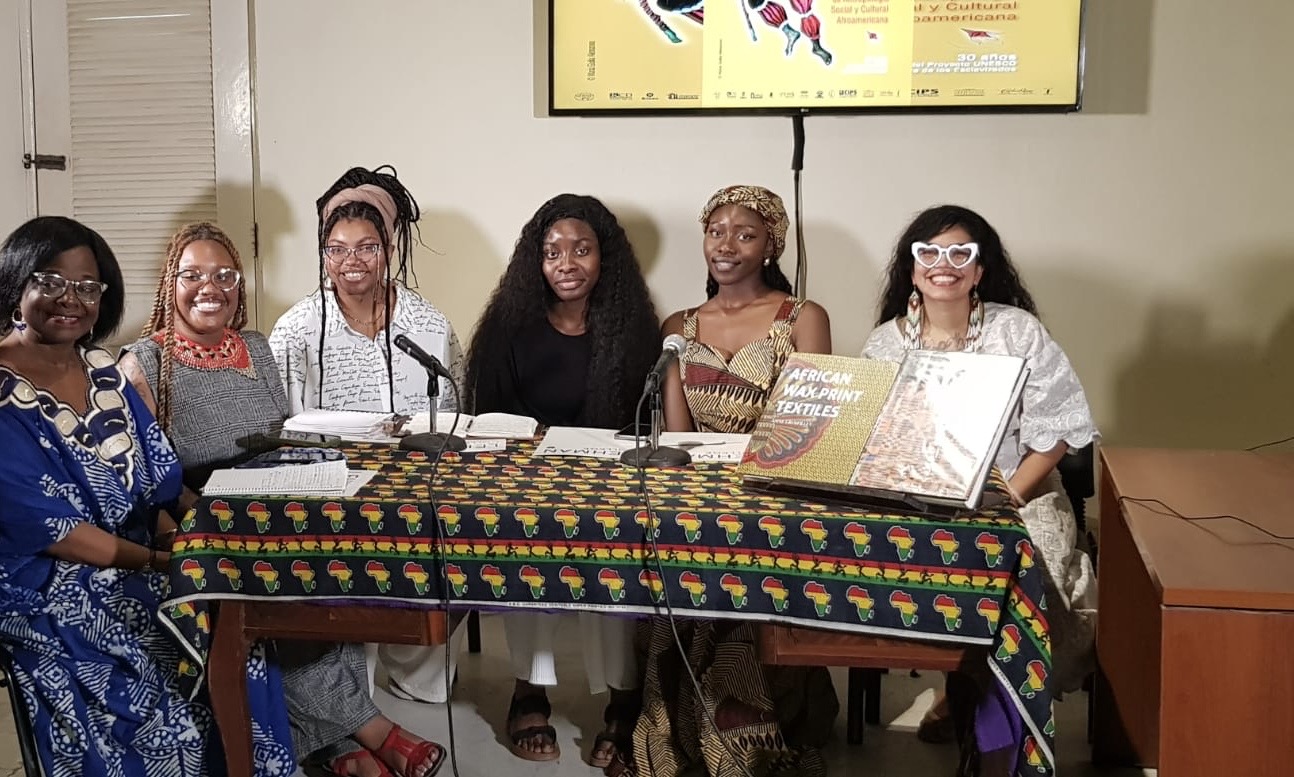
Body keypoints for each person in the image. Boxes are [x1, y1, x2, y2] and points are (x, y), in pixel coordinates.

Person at [120, 222, 445, 777]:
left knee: (326, 567)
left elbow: (279, 436)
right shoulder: (143, 362)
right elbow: (147, 476)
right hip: (199, 520)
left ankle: (335, 746)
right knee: (276, 584)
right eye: (193, 274)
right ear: (168, 283)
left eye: (225, 275)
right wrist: (206, 518)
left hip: (270, 503)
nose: (211, 287)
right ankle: (367, 730)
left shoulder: (254, 348)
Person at [0, 216, 294, 776]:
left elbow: (162, 484)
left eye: (88, 287)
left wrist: (210, 536)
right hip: (46, 579)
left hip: (139, 555)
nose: (71, 299)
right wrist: (165, 560)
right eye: (51, 282)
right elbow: (53, 531)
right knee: (156, 660)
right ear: (16, 285)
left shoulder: (102, 371)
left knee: (239, 625)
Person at [861, 204, 1098, 747]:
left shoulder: (1018, 333)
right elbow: (872, 439)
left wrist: (1007, 496)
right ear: (913, 267)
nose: (944, 264)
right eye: (930, 252)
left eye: (959, 252)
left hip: (1020, 493)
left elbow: (1055, 433)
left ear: (980, 268)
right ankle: (962, 685)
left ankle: (1000, 708)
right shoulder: (884, 344)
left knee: (1018, 577)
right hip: (915, 498)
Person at [629, 185, 835, 777]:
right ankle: (680, 730)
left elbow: (813, 424)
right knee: (671, 566)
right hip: (697, 487)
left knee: (742, 588)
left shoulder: (802, 318)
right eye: (716, 231)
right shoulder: (679, 325)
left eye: (744, 234)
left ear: (771, 246)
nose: (726, 245)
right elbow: (675, 433)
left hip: (773, 491)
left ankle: (755, 739)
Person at [465, 194, 660, 765]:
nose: (566, 263)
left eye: (581, 250)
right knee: (524, 535)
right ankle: (529, 690)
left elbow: (641, 423)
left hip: (609, 484)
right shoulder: (508, 327)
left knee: (618, 550)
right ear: (535, 261)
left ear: (605, 258)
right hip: (528, 480)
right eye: (552, 253)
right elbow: (490, 418)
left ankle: (624, 701)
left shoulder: (631, 328)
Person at [269, 166, 467, 706]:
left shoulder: (429, 324)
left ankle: (418, 670)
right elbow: (283, 424)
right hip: (331, 484)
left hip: (413, 481)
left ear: (390, 250)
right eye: (336, 249)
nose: (351, 261)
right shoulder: (297, 328)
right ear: (323, 254)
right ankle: (347, 694)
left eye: (366, 247)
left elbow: (453, 409)